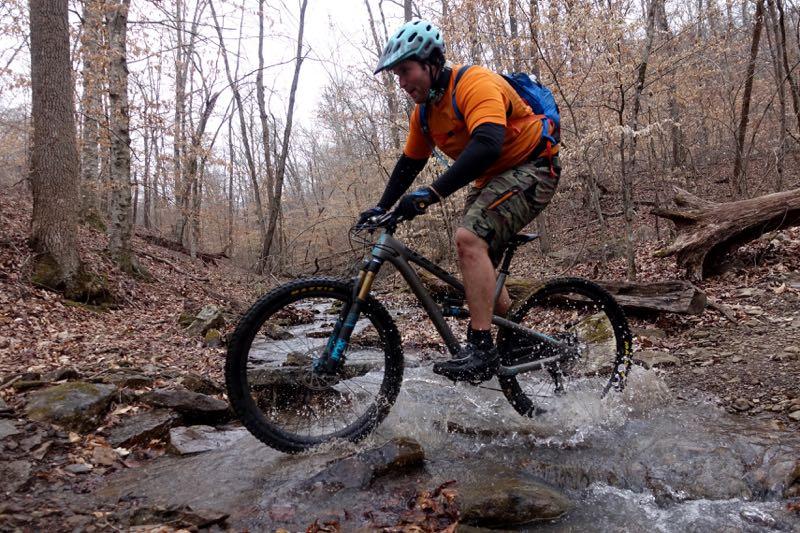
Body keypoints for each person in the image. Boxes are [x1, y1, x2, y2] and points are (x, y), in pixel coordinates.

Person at [358, 19, 560, 382]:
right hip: (492, 179)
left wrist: (431, 194)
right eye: (396, 76)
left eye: (405, 71)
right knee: (478, 266)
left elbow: (487, 143)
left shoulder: (474, 83)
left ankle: (482, 348)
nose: (402, 83)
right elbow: (410, 164)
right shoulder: (424, 114)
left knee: (468, 240)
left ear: (432, 63)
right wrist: (382, 206)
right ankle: (520, 341)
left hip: (534, 167)